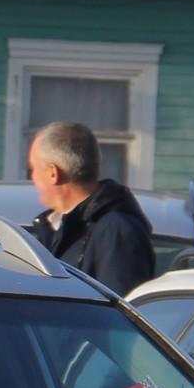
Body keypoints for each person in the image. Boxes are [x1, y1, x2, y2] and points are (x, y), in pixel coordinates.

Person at [25, 120, 155, 295]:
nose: (32, 178)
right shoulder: (57, 228)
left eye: (33, 169)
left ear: (52, 173)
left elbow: (120, 314)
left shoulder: (116, 230)